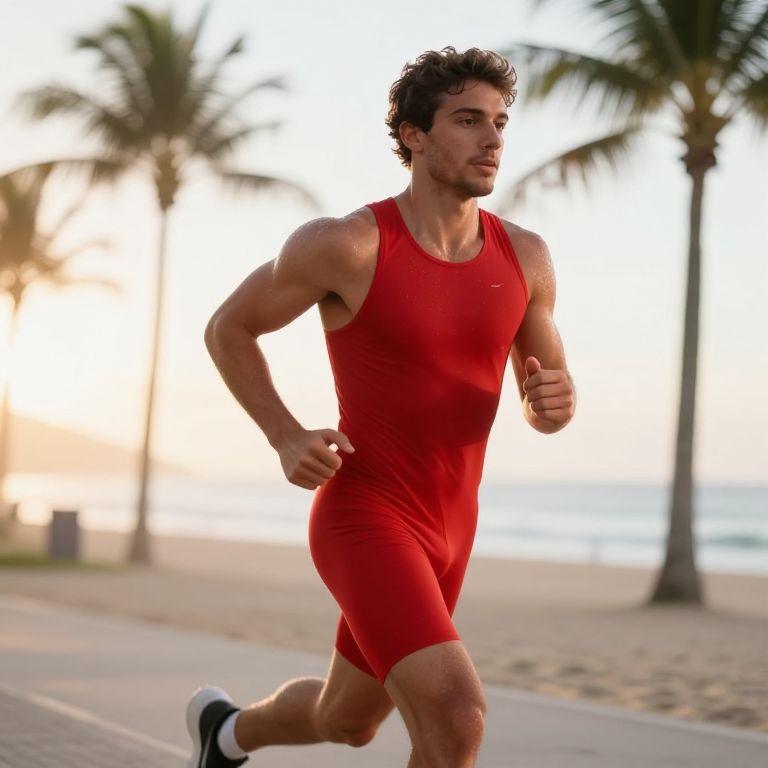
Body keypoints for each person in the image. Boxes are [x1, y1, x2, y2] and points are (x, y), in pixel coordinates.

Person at [189, 46, 575, 768]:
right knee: (456, 717)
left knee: (350, 719)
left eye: (500, 122)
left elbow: (543, 396)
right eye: (468, 120)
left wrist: (552, 403)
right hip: (366, 515)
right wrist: (284, 433)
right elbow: (228, 328)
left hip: (453, 530)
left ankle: (225, 733)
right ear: (414, 135)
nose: (493, 140)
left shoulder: (526, 258)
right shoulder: (348, 245)